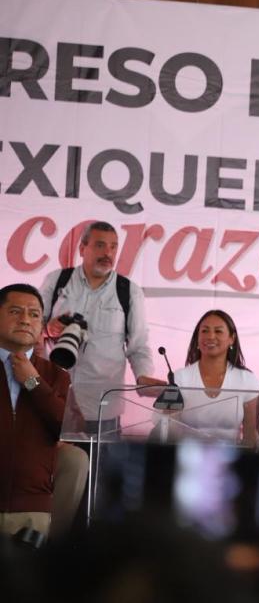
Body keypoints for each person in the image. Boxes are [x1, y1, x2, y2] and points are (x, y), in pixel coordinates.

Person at [39, 221, 158, 424]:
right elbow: (30, 330)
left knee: (103, 457)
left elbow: (138, 346)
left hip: (103, 406)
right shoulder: (56, 280)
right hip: (51, 397)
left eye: (113, 247)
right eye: (100, 245)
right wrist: (47, 329)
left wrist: (143, 377)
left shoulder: (129, 291)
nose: (108, 253)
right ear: (82, 248)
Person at [0, 284, 71, 538]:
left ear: (41, 325)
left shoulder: (56, 376)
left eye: (33, 314)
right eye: (15, 311)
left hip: (31, 510)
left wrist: (33, 382)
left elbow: (67, 427)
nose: (25, 320)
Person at [169, 310, 259, 444]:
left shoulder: (247, 380)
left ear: (232, 339)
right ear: (197, 338)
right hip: (187, 458)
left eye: (218, 331)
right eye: (205, 331)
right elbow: (169, 433)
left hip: (230, 460)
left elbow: (250, 438)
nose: (211, 336)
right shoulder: (179, 378)